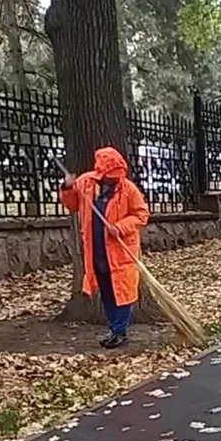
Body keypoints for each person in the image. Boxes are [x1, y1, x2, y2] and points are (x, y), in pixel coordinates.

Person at [60, 147, 149, 349]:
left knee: (122, 292)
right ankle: (114, 329)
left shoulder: (128, 189)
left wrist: (120, 227)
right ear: (101, 172)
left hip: (120, 251)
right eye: (111, 175)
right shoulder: (85, 183)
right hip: (97, 250)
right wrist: (67, 188)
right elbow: (72, 205)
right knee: (107, 291)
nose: (115, 179)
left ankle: (119, 331)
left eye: (117, 175)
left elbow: (141, 214)